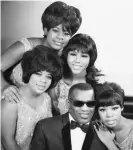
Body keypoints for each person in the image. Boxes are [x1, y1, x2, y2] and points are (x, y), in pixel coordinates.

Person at [1, 1, 82, 101]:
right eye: (55, 30)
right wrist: (4, 86)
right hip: (8, 102)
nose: (60, 37)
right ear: (46, 30)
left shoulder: (67, 56)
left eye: (66, 33)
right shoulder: (25, 46)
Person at [1, 45, 63, 150]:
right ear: (28, 73)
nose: (43, 81)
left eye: (48, 76)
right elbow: (7, 141)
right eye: (38, 74)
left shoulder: (46, 98)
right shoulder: (11, 102)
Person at [30, 83, 108, 150]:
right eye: (79, 103)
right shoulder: (45, 127)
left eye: (90, 104)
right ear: (68, 103)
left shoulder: (104, 131)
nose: (85, 109)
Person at [49, 33, 103, 115]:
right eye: (73, 54)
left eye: (84, 56)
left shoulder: (96, 85)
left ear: (90, 59)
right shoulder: (56, 79)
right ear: (66, 55)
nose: (77, 60)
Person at [93, 82, 133, 150]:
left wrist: (108, 142)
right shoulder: (97, 126)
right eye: (102, 109)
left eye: (114, 108)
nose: (109, 115)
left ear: (122, 107)